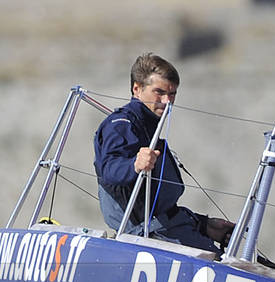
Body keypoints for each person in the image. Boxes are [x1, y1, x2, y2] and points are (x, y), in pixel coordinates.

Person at [92, 53, 233, 253]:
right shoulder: (121, 124)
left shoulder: (149, 126)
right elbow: (110, 168)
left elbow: (161, 208)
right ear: (137, 89)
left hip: (169, 227)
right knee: (219, 263)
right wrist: (134, 165)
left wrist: (203, 224)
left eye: (172, 94)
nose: (167, 101)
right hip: (147, 234)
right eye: (159, 92)